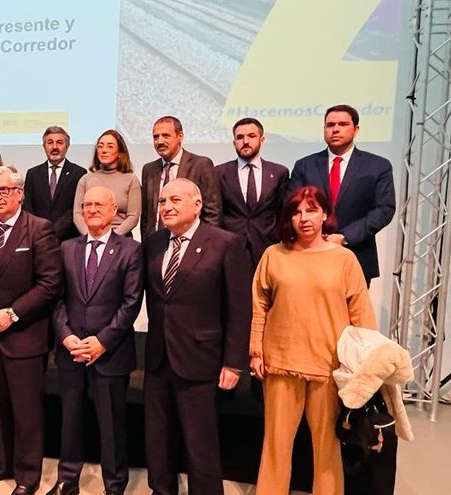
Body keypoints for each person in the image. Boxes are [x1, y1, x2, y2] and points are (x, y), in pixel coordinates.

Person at [250, 185, 377, 495]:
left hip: (329, 367)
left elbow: (362, 316)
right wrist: (256, 351)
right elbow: (259, 305)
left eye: (311, 210)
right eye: (296, 212)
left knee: (327, 447)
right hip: (280, 363)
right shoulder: (273, 255)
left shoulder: (344, 259)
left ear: (324, 214)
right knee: (276, 445)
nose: (303, 218)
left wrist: (364, 367)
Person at [142, 178, 250, 494]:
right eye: (162, 201)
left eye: (175, 199)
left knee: (199, 444)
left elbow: (239, 309)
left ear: (197, 204)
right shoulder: (154, 242)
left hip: (201, 359)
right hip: (158, 357)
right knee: (158, 440)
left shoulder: (225, 243)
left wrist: (233, 363)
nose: (166, 207)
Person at [0, 166, 62, 495]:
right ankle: (1, 463)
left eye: (6, 190)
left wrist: (11, 313)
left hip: (24, 336)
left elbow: (50, 284)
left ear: (20, 193)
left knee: (26, 412)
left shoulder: (39, 229)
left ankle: (27, 475)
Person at [48, 186, 143, 495]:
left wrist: (102, 341)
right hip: (72, 351)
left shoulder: (130, 250)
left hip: (110, 353)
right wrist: (66, 336)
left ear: (114, 210)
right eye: (87, 205)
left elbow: (131, 303)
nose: (91, 210)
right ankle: (67, 479)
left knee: (112, 425)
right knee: (70, 420)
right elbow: (57, 300)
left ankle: (114, 485)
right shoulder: (66, 248)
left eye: (98, 204)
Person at [289, 104, 395, 286]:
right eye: (330, 125)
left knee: (349, 314)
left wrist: (344, 237)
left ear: (356, 129)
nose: (335, 129)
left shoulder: (377, 166)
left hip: (356, 254)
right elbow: (291, 205)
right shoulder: (305, 165)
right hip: (309, 255)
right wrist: (317, 238)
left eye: (342, 124)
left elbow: (384, 209)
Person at [216, 117, 289, 270]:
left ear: (262, 139)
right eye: (240, 137)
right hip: (230, 248)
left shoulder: (279, 172)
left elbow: (283, 212)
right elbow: (216, 212)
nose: (246, 141)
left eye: (251, 136)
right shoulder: (219, 172)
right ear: (234, 142)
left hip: (268, 247)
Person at [141, 116, 221, 237]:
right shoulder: (149, 169)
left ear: (180, 137)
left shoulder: (201, 165)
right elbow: (146, 216)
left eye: (165, 136)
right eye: (155, 137)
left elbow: (212, 213)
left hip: (192, 244)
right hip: (156, 246)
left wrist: (205, 244)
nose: (159, 141)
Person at [72, 130, 141, 237]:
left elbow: (133, 216)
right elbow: (77, 214)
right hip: (90, 239)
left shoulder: (131, 180)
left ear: (120, 153)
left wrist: (110, 238)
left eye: (110, 146)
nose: (104, 150)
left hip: (120, 240)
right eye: (100, 146)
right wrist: (89, 236)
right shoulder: (85, 179)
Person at [23, 126, 87, 243]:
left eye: (59, 142)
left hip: (68, 240)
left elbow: (74, 209)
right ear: (44, 146)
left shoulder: (79, 173)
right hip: (37, 240)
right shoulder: (32, 174)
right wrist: (39, 232)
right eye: (50, 142)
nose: (54, 147)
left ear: (67, 146)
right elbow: (27, 207)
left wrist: (51, 233)